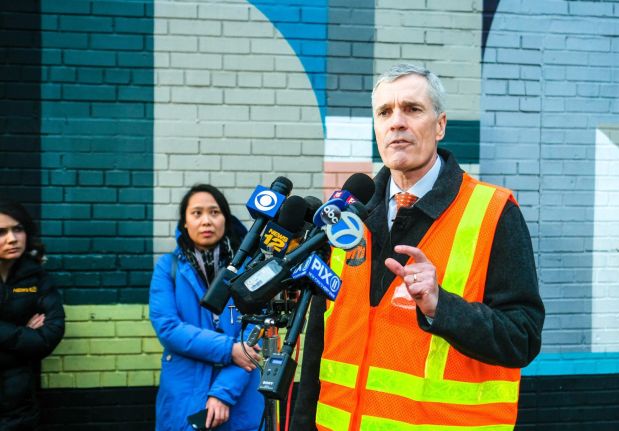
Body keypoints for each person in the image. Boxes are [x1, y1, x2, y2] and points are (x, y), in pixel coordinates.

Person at [291, 64, 545, 430]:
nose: (396, 122)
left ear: (440, 124)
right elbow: (318, 342)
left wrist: (441, 306)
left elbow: (522, 338)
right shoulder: (347, 216)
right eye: (385, 112)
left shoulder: (493, 212)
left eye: (412, 109)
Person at [149, 184, 265, 430]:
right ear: (184, 223)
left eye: (214, 212)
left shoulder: (249, 270)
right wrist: (228, 349)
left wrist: (223, 393)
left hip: (240, 394)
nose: (206, 221)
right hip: (185, 394)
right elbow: (168, 328)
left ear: (225, 219)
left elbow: (257, 333)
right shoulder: (167, 268)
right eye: (197, 213)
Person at [0, 201, 65, 431]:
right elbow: (32, 341)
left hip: (20, 409)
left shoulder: (37, 279)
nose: (12, 239)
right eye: (1, 232)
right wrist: (25, 334)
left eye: (18, 229)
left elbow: (49, 336)